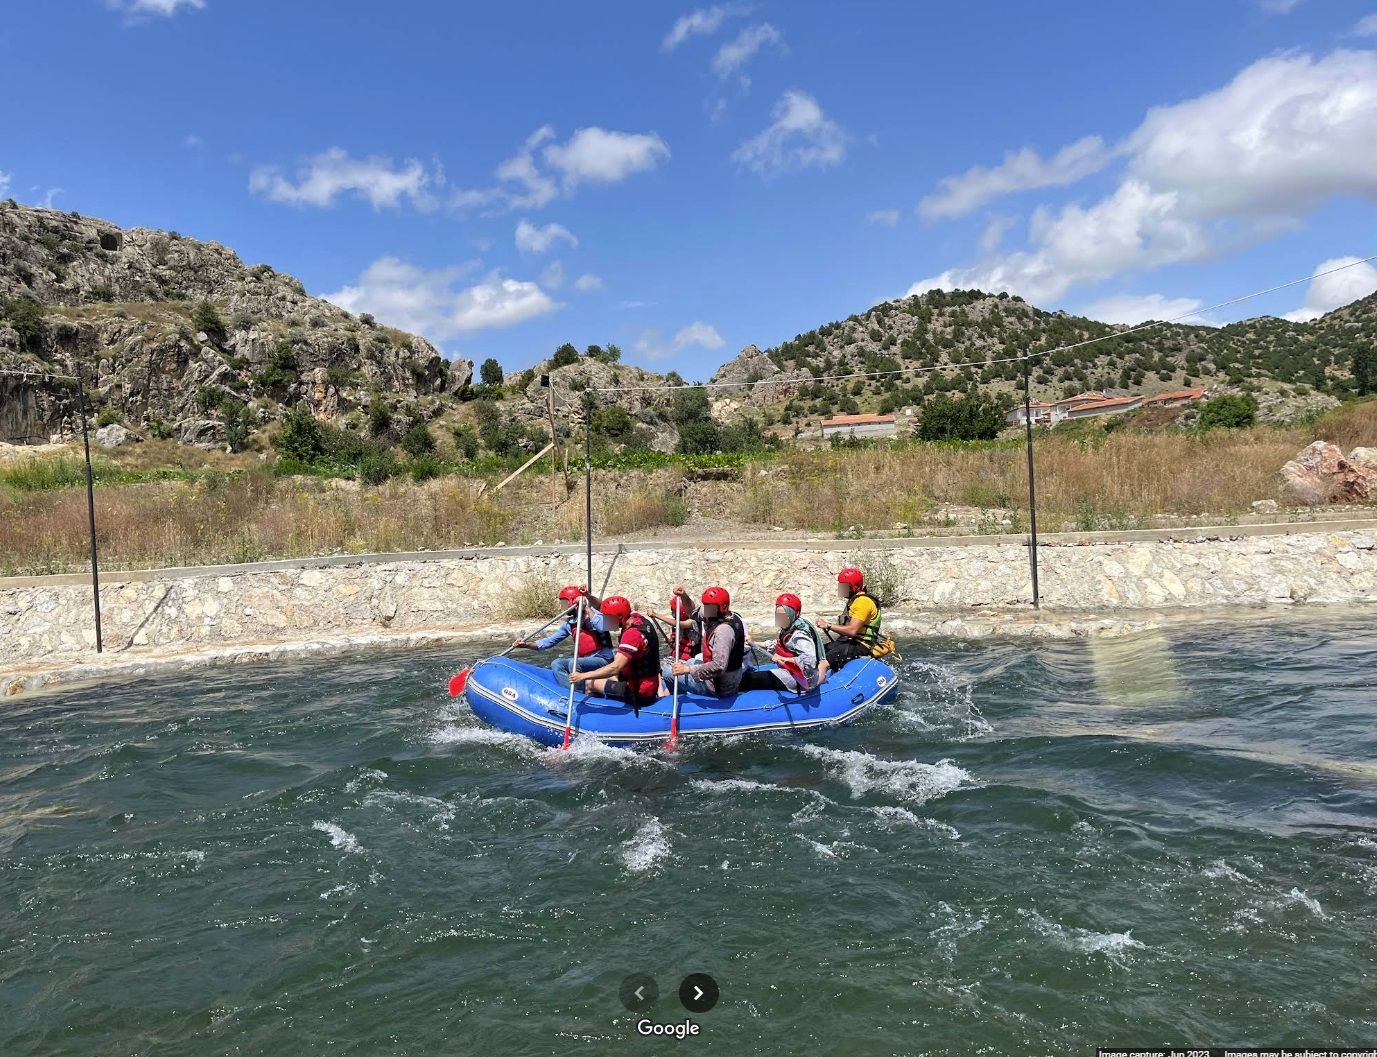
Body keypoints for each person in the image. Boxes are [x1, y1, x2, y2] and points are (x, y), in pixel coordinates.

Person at [569, 596, 665, 709]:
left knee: (590, 683)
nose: (605, 621)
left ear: (619, 617)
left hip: (638, 692)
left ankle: (590, 716)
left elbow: (615, 667)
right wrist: (586, 607)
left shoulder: (632, 635)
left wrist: (582, 676)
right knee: (607, 676)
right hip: (646, 683)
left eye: (607, 618)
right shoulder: (638, 619)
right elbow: (604, 615)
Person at [511, 585, 614, 685]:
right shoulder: (569, 624)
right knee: (557, 663)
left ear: (573, 601)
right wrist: (526, 645)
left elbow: (609, 626)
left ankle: (580, 690)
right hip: (585, 660)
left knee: (574, 663)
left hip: (604, 659)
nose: (562, 607)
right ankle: (570, 690)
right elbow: (548, 642)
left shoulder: (593, 614)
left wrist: (586, 608)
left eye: (564, 603)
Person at [667, 586, 746, 698]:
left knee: (667, 673)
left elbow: (718, 666)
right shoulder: (719, 614)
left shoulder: (723, 631)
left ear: (722, 607)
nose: (706, 610)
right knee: (690, 661)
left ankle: (675, 703)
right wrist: (684, 596)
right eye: (706, 605)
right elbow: (694, 611)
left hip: (719, 686)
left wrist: (687, 670)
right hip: (724, 678)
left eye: (709, 606)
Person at [741, 592, 825, 694]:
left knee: (749, 680)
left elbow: (810, 660)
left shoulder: (800, 635)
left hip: (800, 679)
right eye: (778, 615)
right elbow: (777, 644)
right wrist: (754, 643)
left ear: (795, 614)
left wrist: (783, 659)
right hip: (789, 672)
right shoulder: (787, 629)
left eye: (784, 615)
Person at [817, 567, 886, 676]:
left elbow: (852, 631)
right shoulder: (854, 601)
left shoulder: (863, 602)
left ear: (856, 587)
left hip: (861, 646)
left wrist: (828, 625)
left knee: (822, 663)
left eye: (844, 586)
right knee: (819, 651)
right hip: (850, 642)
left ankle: (813, 690)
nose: (841, 589)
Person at [647, 591, 702, 663]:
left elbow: (678, 623)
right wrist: (671, 639)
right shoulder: (676, 626)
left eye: (673, 611)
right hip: (675, 658)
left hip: (688, 661)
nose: (672, 613)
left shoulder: (693, 622)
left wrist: (655, 615)